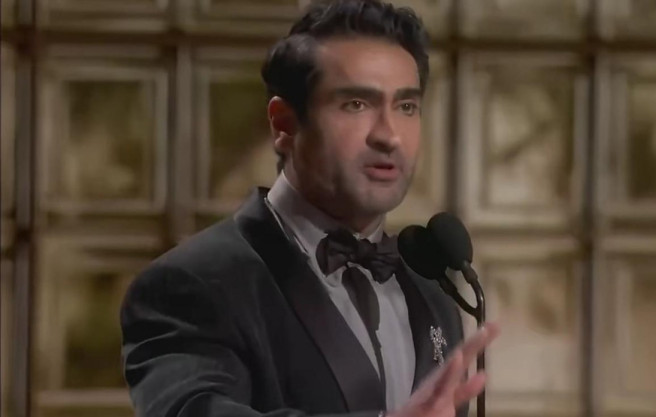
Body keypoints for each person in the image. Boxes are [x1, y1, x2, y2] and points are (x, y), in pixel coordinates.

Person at [120, 1, 499, 416]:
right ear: (284, 124)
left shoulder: (433, 291)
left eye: (406, 106)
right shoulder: (190, 283)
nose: (389, 135)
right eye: (356, 104)